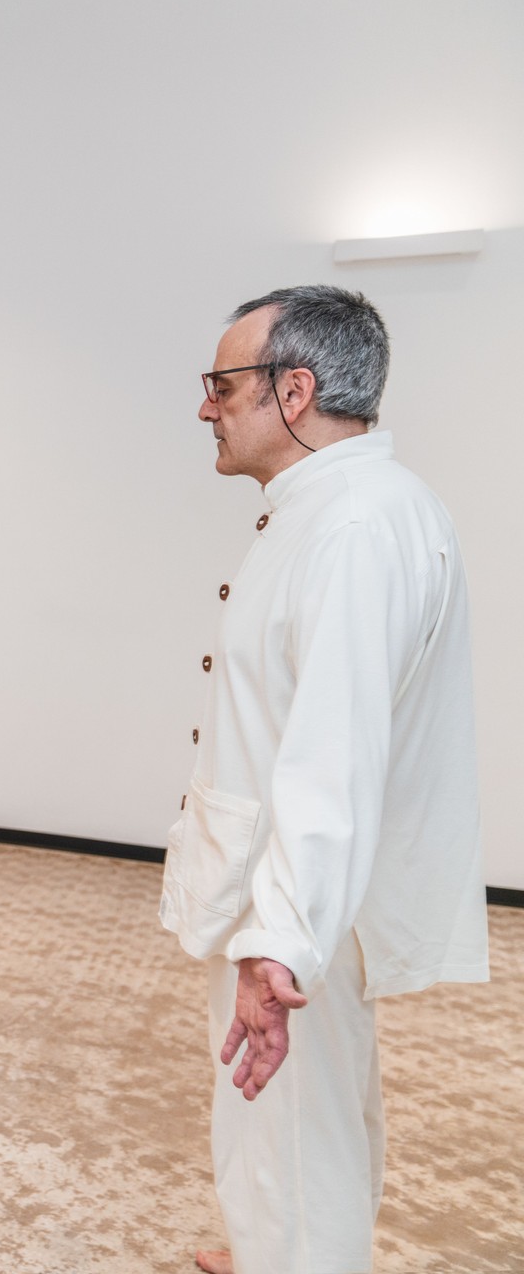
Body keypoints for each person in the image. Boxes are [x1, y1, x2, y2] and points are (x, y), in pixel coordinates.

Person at [168, 286, 488, 1274]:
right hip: (293, 884)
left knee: (299, 1127)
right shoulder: (344, 508)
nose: (205, 406)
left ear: (293, 389)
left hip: (301, 894)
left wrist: (280, 946)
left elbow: (334, 753)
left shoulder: (351, 526)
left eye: (222, 384)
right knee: (294, 1123)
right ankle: (273, 1250)